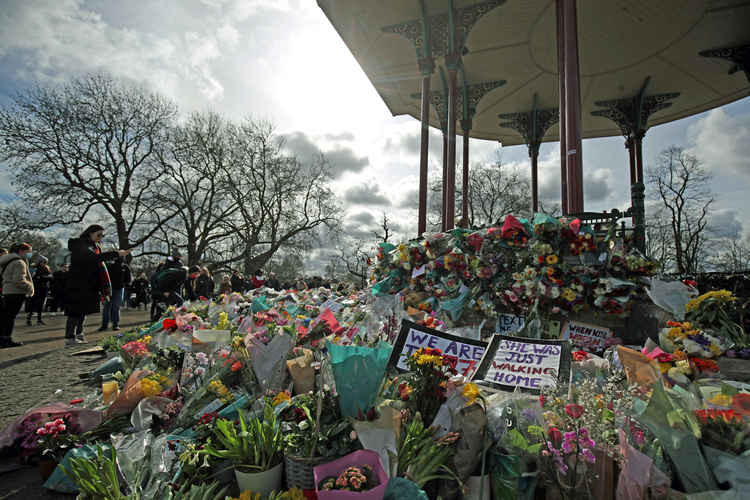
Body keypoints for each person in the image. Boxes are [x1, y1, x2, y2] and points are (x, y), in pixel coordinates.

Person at [64, 225, 130, 346]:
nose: (100, 238)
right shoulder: (80, 245)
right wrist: (116, 253)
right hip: (78, 282)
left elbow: (98, 261)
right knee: (75, 311)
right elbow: (94, 259)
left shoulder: (95, 246)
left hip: (89, 283)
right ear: (90, 233)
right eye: (98, 235)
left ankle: (79, 333)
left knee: (83, 311)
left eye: (102, 236)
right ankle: (69, 337)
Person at [0, 243, 34, 348]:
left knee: (6, 317)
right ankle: (6, 339)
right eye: (28, 252)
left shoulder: (6, 261)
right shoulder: (19, 262)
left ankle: (2, 338)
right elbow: (19, 280)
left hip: (7, 291)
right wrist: (30, 288)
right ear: (21, 251)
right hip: (16, 292)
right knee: (10, 317)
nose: (29, 254)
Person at [99, 256, 132, 331]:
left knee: (115, 307)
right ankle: (105, 325)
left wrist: (124, 284)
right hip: (108, 289)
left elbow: (128, 279)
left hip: (119, 289)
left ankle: (115, 324)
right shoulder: (109, 265)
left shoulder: (125, 267)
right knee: (106, 307)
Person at [27, 256, 53, 325]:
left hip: (43, 288)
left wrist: (43, 277)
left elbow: (51, 277)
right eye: (43, 262)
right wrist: (43, 277)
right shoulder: (34, 268)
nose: (44, 263)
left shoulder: (46, 268)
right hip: (36, 288)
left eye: (45, 262)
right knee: (33, 303)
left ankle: (39, 319)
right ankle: (29, 318)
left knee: (41, 304)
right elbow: (33, 278)